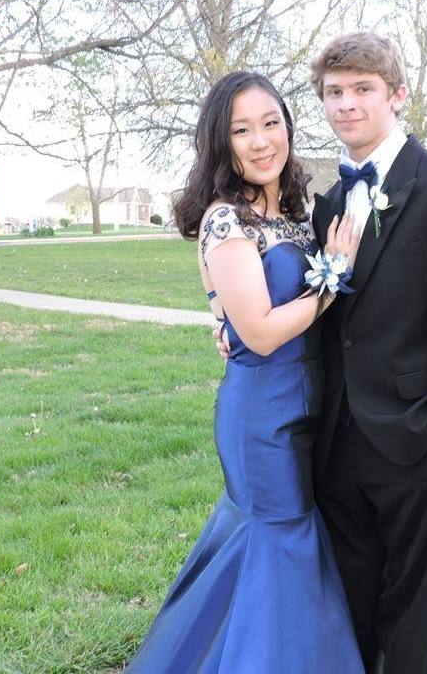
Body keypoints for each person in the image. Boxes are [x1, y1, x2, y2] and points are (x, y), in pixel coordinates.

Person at [214, 32, 427, 674]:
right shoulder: (323, 204)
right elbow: (304, 304)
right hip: (331, 443)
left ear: (396, 95)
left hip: (415, 443)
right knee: (346, 616)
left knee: (408, 621)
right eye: (334, 92)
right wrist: (228, 322)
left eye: (363, 89)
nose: (347, 104)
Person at [125, 71, 366, 673]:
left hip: (309, 408)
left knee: (275, 553)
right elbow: (258, 330)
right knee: (277, 542)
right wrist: (333, 276)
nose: (261, 141)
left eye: (270, 123)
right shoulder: (225, 221)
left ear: (287, 127)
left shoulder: (297, 213)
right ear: (221, 142)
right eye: (241, 130)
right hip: (262, 419)